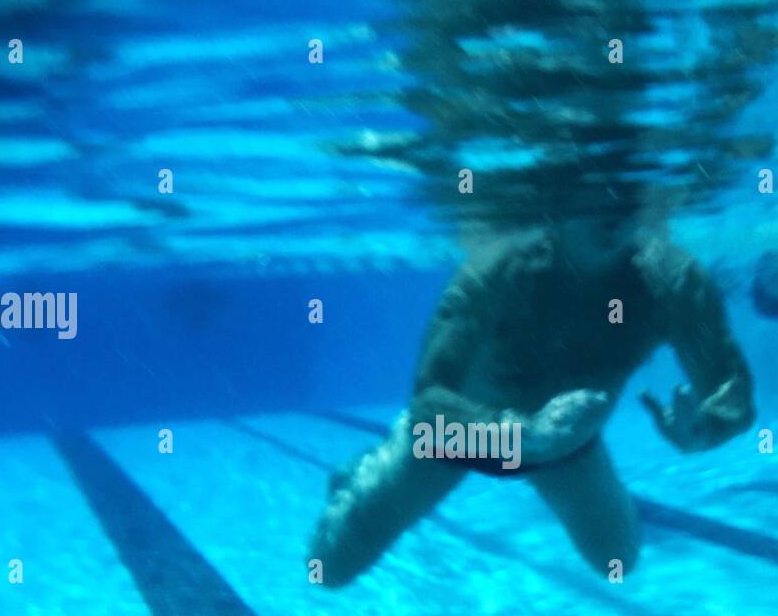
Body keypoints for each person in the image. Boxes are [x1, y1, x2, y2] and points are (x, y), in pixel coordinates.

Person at [308, 213, 755, 585]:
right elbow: (429, 402)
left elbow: (730, 390)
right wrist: (521, 434)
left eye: (627, 189)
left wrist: (706, 430)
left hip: (567, 448)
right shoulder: (499, 269)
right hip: (453, 441)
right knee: (329, 569)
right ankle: (364, 471)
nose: (614, 206)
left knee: (618, 562)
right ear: (559, 194)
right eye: (596, 187)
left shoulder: (672, 279)